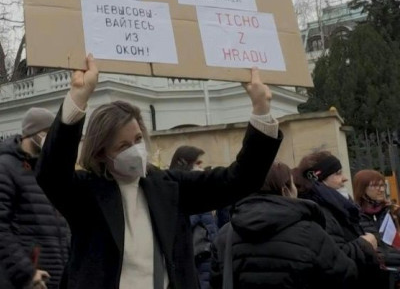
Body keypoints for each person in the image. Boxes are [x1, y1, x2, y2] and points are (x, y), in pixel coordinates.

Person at [36, 57, 282, 289]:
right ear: (101, 153)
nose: (135, 150)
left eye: (138, 139)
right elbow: (51, 174)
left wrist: (261, 110)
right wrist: (78, 99)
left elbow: (239, 180)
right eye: (123, 146)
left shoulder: (170, 187)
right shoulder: (85, 195)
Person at [210, 161, 358, 288]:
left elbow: (216, 282)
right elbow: (344, 276)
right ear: (285, 190)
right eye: (293, 184)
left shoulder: (224, 236)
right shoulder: (310, 232)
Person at [0, 108, 70, 289]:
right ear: (33, 133)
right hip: (26, 280)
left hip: (56, 277)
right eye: (50, 134)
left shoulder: (48, 171)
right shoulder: (2, 168)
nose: (54, 140)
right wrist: (26, 272)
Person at [294, 151, 384, 287]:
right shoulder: (320, 212)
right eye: (337, 173)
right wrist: (365, 244)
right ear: (319, 178)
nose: (345, 178)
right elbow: (333, 257)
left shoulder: (338, 206)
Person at [169, 146, 218, 289]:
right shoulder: (175, 191)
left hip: (208, 265)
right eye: (198, 164)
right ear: (184, 163)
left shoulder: (201, 191)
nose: (201, 168)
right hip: (194, 265)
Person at [354, 170, 400, 273]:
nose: (382, 189)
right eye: (375, 186)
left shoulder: (392, 211)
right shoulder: (354, 217)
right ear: (362, 189)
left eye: (383, 185)